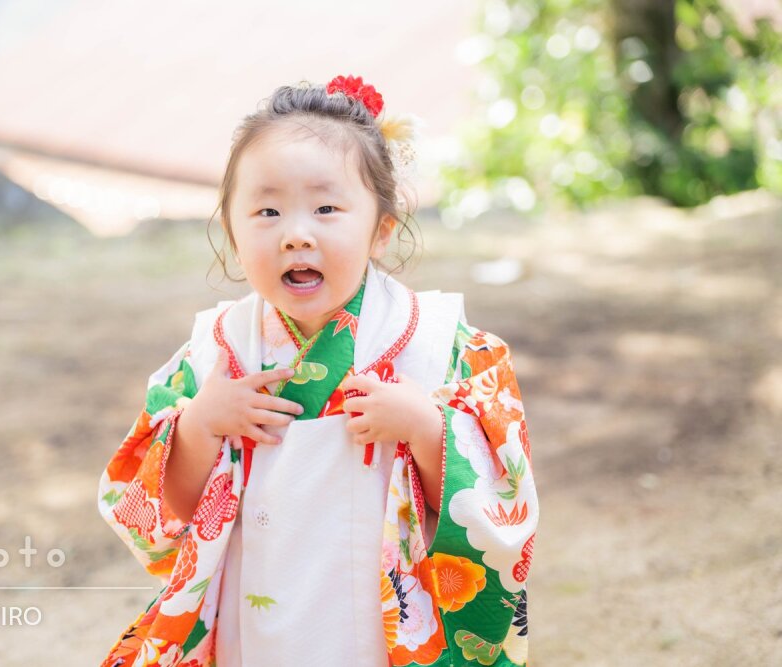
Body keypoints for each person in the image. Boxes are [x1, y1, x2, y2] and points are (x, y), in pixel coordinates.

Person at [97, 74, 539, 667]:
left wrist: (427, 429)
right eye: (267, 210)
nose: (296, 234)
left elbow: (496, 504)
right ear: (232, 232)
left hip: (380, 627)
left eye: (326, 208)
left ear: (381, 230)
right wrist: (200, 425)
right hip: (254, 622)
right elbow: (161, 510)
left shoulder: (439, 344)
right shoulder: (214, 352)